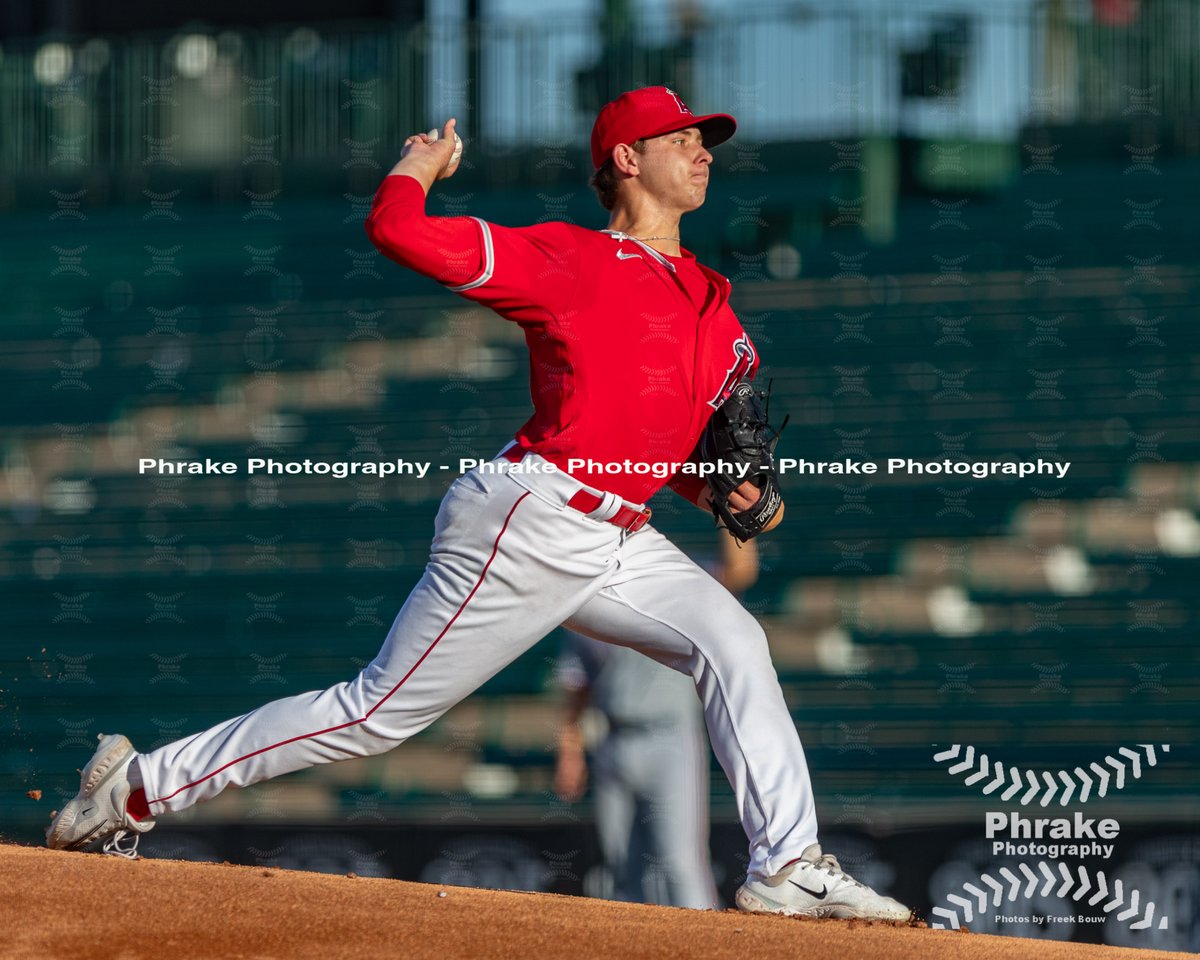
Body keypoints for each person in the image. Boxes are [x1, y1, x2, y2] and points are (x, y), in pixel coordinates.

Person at [47, 86, 911, 921]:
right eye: (680, 137)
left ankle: (788, 866)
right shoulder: (569, 258)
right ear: (626, 157)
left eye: (705, 141)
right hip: (530, 518)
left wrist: (732, 490)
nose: (700, 151)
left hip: (620, 534)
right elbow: (396, 229)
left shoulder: (712, 302)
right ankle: (135, 787)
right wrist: (418, 166)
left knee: (735, 642)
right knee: (376, 715)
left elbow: (681, 448)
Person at [554, 533, 757, 910]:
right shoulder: (588, 593)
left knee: (680, 862)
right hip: (611, 739)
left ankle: (709, 949)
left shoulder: (678, 580)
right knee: (620, 867)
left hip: (670, 737)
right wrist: (570, 751)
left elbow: (739, 571)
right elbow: (576, 688)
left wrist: (731, 522)